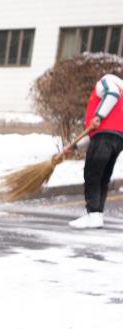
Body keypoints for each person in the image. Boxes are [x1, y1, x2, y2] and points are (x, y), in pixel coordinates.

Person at [68, 72, 122, 229]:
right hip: (117, 139)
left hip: (104, 136)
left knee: (92, 174)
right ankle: (97, 215)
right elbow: (93, 132)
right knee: (102, 177)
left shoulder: (106, 82)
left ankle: (93, 214)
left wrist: (98, 115)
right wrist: (75, 146)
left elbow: (111, 93)